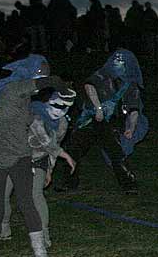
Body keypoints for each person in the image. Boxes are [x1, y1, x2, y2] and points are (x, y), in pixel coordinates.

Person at [0, 55, 71, 257]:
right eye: (39, 73)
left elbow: (37, 128)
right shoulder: (14, 90)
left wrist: (57, 153)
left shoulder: (26, 101)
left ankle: (40, 253)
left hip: (20, 156)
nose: (41, 80)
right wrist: (60, 85)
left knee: (27, 202)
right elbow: (50, 81)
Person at [55, 49, 147, 194]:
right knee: (74, 149)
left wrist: (131, 127)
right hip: (90, 119)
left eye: (121, 62)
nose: (117, 64)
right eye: (116, 61)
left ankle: (129, 185)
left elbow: (133, 109)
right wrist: (98, 108)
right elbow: (89, 86)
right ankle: (68, 182)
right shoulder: (104, 74)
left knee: (116, 153)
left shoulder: (130, 84)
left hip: (108, 123)